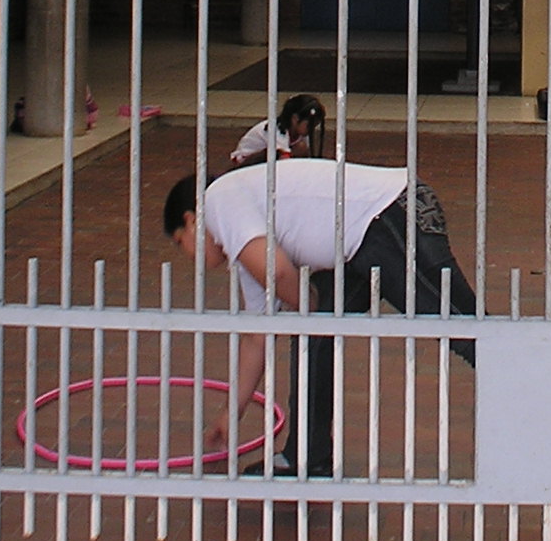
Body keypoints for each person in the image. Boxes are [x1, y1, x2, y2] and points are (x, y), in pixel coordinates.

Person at [164, 159, 477, 478]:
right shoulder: (244, 239)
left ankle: (514, 412)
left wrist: (307, 304)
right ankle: (307, 458)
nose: (188, 255)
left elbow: (278, 272)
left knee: (467, 330)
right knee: (310, 332)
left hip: (389, 215)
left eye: (180, 242)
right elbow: (258, 335)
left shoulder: (217, 200)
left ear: (191, 220)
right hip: (370, 234)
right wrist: (231, 415)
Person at [227, 94, 326, 167]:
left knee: (300, 148)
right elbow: (284, 160)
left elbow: (305, 154)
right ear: (295, 119)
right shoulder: (276, 130)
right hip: (245, 161)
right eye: (309, 125)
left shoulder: (301, 134)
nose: (311, 129)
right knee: (278, 152)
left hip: (267, 158)